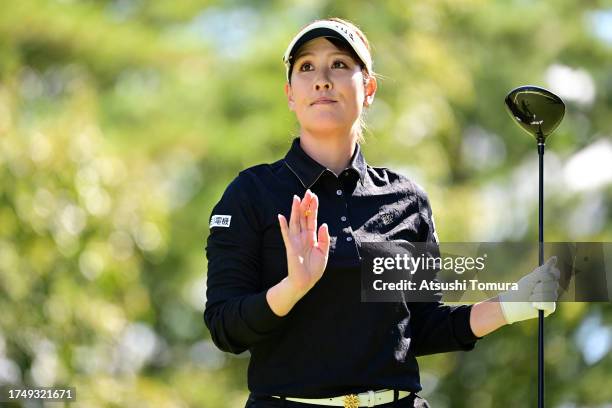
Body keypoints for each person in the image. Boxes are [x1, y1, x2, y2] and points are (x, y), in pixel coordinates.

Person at [204, 18, 561, 408]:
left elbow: (421, 328)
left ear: (369, 88)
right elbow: (226, 327)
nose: (322, 79)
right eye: (306, 67)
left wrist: (510, 305)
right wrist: (293, 288)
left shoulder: (406, 200)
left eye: (339, 64)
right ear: (290, 94)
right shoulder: (251, 194)